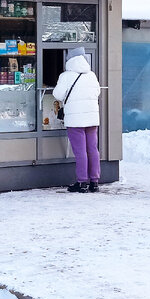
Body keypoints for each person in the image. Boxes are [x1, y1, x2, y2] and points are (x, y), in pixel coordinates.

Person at [53, 47, 102, 192]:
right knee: (93, 149)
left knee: (80, 151)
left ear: (69, 61)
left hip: (75, 120)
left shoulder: (65, 76)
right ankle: (94, 182)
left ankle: (82, 182)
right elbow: (97, 92)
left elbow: (58, 95)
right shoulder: (91, 75)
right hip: (92, 118)